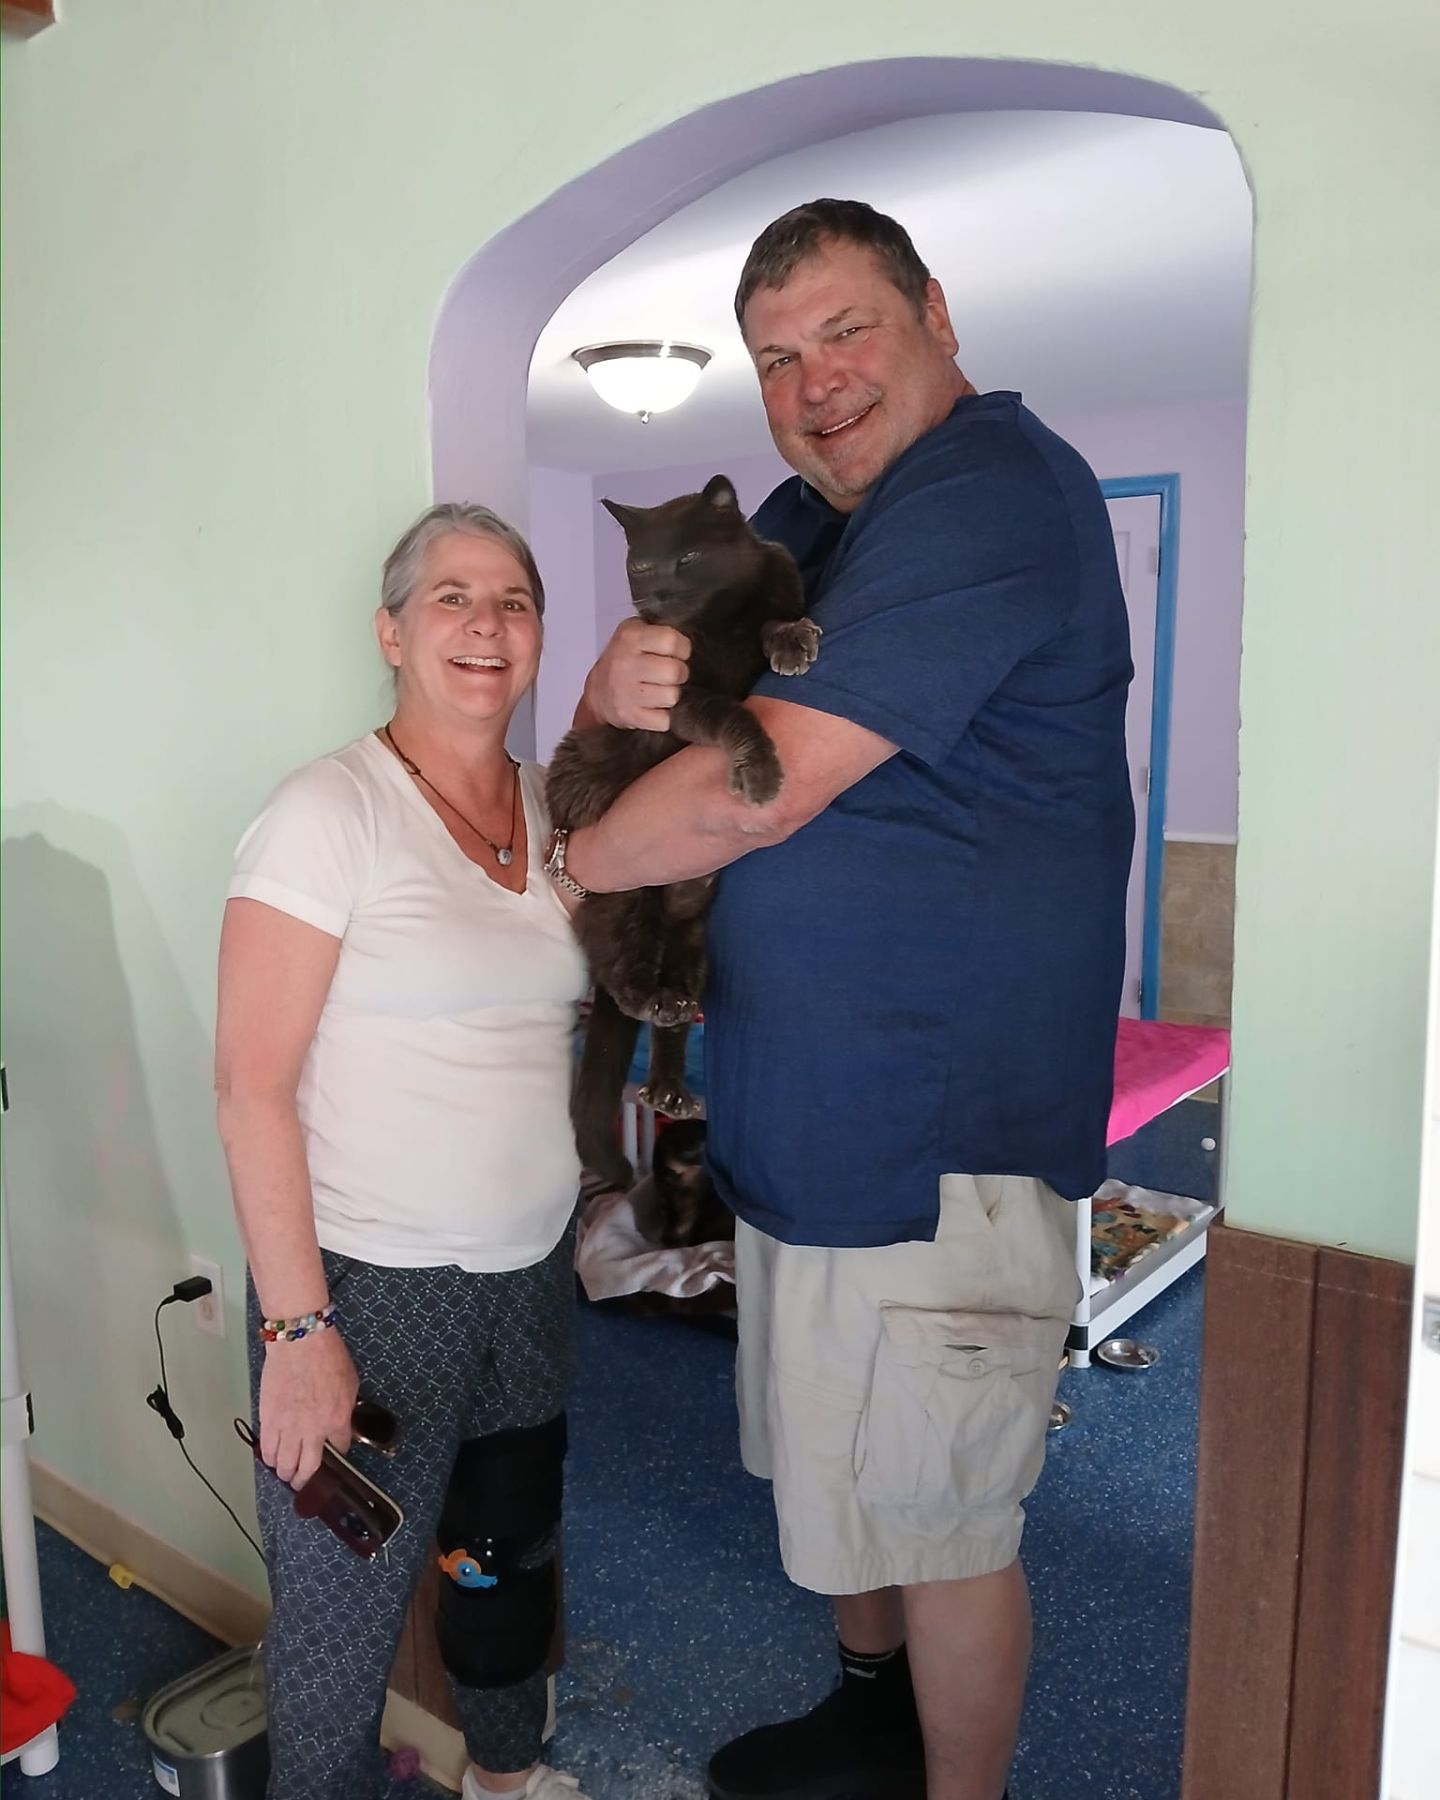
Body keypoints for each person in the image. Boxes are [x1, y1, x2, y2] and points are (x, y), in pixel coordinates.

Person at [543, 201, 1134, 1800]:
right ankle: (867, 1714)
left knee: (941, 1517)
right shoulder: (816, 517)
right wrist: (612, 689)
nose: (813, 382)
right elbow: (692, 685)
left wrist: (575, 852)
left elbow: (760, 791)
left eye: (846, 332)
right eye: (777, 357)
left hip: (936, 1129)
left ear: (935, 312)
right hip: (811, 1117)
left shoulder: (991, 491)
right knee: (836, 1467)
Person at [215, 504, 592, 1800]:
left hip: (531, 1273)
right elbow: (249, 1088)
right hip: (368, 1294)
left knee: (504, 1559)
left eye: (514, 600)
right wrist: (295, 1332)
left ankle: (500, 1780)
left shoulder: (553, 816)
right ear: (391, 632)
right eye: (451, 597)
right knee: (336, 1637)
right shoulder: (327, 813)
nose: (487, 624)